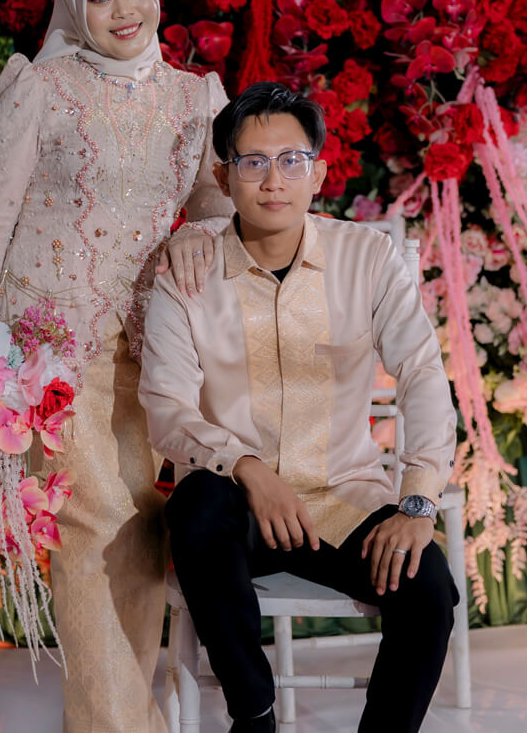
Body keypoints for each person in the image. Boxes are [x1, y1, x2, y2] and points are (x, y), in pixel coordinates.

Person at [0, 0, 233, 733]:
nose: (122, 10)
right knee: (92, 521)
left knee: (140, 525)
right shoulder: (40, 86)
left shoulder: (195, 98)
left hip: (151, 346)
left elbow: (221, 213)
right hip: (48, 349)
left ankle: (112, 719)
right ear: (75, 8)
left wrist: (198, 233)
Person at [138, 81, 459, 733]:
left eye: (291, 160)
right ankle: (254, 714)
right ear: (224, 177)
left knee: (428, 586)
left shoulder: (366, 258)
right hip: (237, 508)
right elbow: (166, 406)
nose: (273, 180)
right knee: (195, 507)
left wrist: (418, 503)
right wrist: (247, 468)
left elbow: (423, 373)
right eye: (253, 162)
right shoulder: (189, 273)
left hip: (343, 499)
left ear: (318, 172)